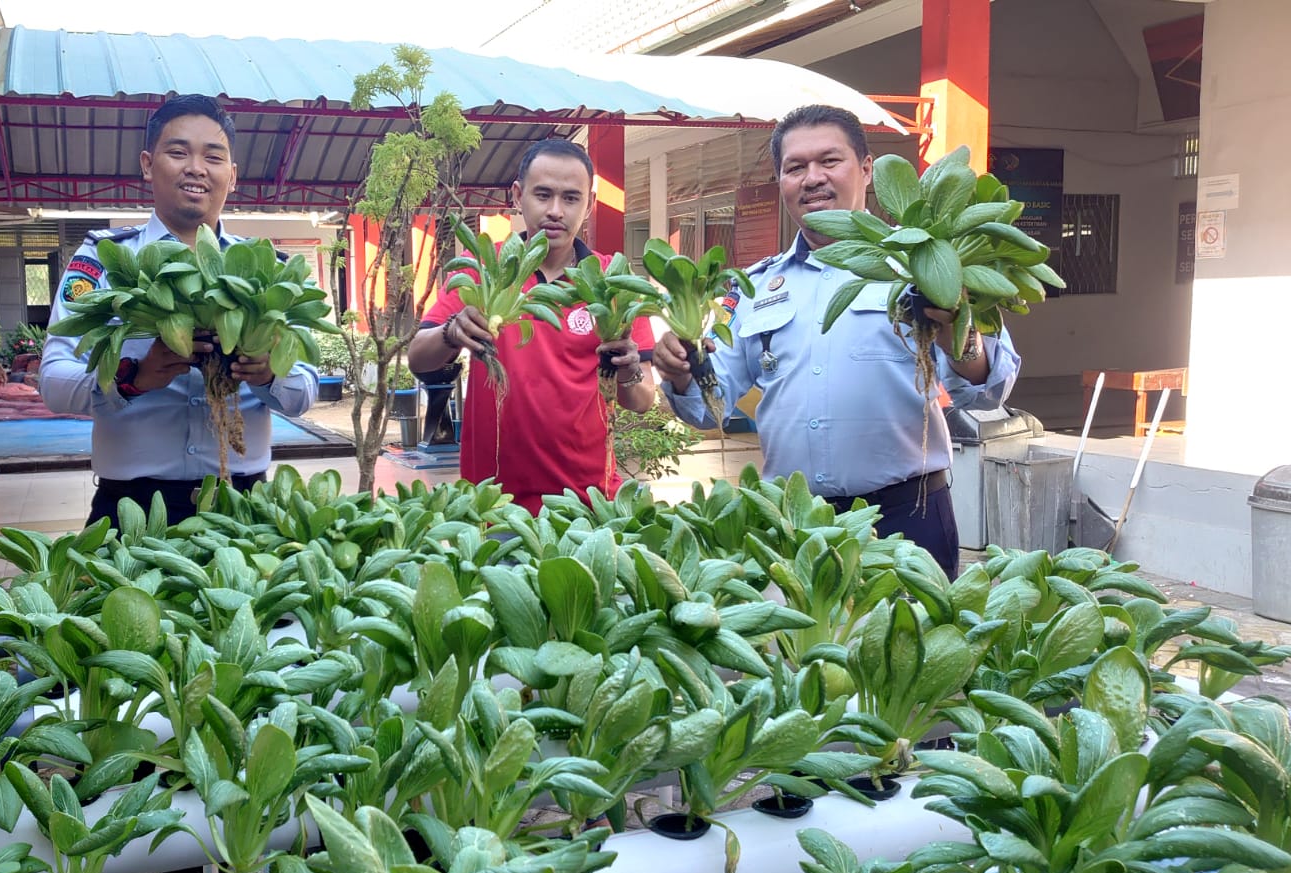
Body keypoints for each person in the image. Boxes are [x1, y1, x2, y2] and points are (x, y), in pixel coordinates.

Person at [653, 105, 1021, 579]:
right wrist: (683, 373)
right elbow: (710, 406)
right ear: (780, 181)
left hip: (905, 518)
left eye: (830, 161)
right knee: (800, 652)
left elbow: (988, 390)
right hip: (793, 523)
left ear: (867, 169)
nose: (812, 178)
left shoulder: (922, 265)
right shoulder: (755, 286)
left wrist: (958, 333)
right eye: (795, 167)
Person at [40, 94, 317, 526]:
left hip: (244, 505)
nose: (196, 168)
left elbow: (305, 391)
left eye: (213, 156)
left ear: (233, 175)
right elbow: (54, 381)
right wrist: (133, 377)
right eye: (178, 151)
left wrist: (268, 374)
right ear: (148, 164)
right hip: (132, 508)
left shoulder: (272, 271)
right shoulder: (105, 260)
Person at [408, 139, 658, 514]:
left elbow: (641, 401)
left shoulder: (612, 280)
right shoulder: (484, 268)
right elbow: (418, 359)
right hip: (493, 504)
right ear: (518, 195)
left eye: (571, 198)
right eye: (543, 195)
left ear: (589, 204)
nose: (555, 211)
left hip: (587, 504)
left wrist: (629, 369)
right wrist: (451, 332)